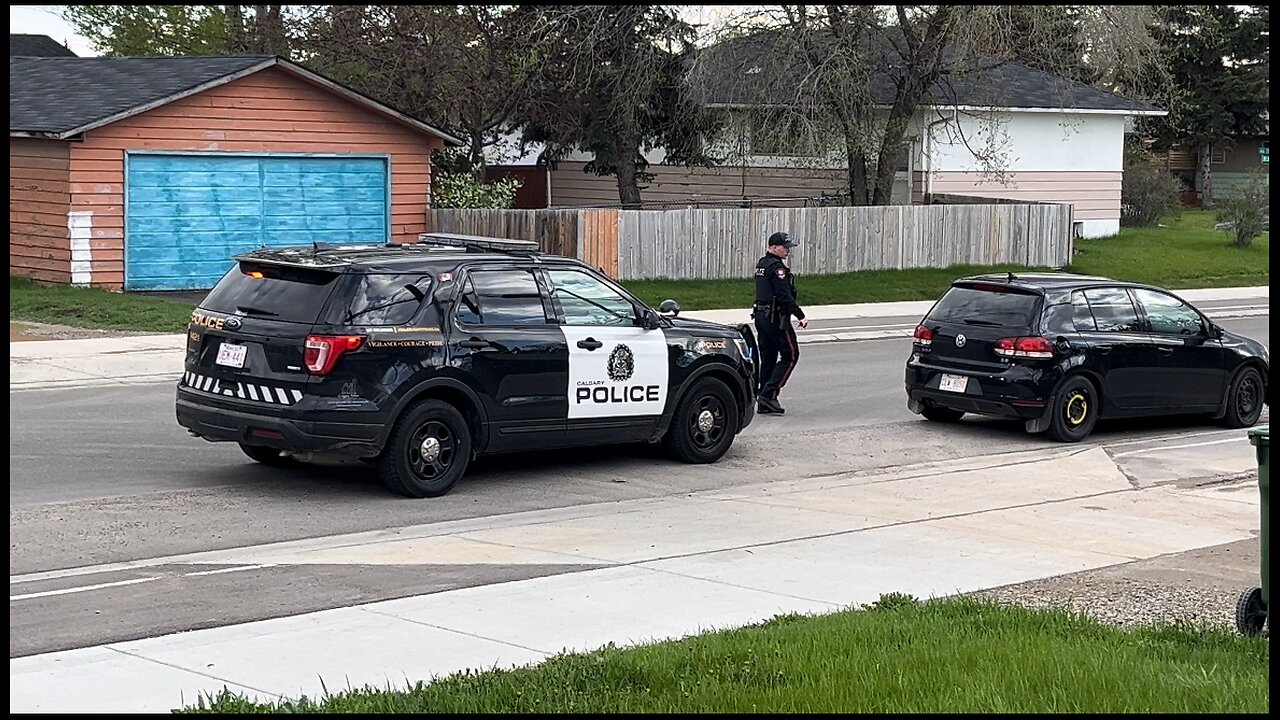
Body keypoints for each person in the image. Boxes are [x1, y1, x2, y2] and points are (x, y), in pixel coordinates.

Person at [752, 231, 807, 415]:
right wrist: (800, 315)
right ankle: (769, 394)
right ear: (773, 247)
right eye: (785, 247)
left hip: (761, 316)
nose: (788, 251)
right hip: (775, 318)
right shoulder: (777, 269)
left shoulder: (762, 264)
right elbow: (784, 296)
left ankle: (763, 398)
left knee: (768, 358)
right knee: (791, 355)